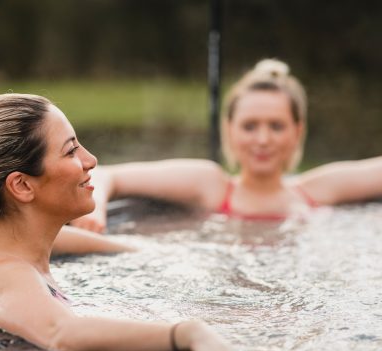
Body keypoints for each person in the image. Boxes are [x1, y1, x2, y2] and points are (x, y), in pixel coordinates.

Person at [0, 93, 256, 351]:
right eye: (71, 151)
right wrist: (187, 335)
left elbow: (61, 243)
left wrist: (143, 251)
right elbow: (61, 333)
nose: (91, 160)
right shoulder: (5, 274)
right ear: (22, 186)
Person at [71, 59, 382, 231]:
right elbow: (108, 174)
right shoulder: (211, 185)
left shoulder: (316, 190)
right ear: (229, 130)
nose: (263, 139)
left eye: (276, 126)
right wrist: (96, 209)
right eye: (250, 126)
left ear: (297, 132)